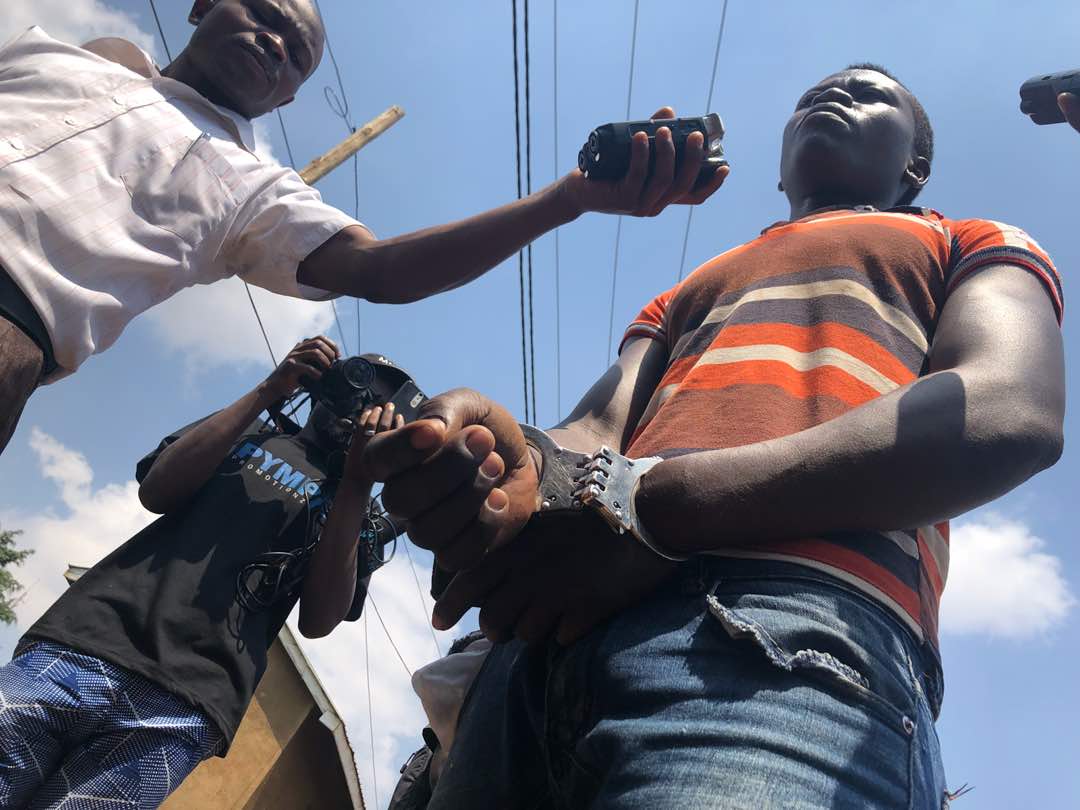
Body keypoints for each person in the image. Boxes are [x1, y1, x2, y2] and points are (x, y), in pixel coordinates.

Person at [365, 64, 1066, 808]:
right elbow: (597, 430)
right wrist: (509, 461)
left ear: (915, 167)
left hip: (791, 625)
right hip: (549, 638)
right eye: (809, 97)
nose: (830, 97)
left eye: (869, 95)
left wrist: (656, 508)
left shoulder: (969, 238)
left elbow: (1006, 406)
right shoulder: (690, 287)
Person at [0, 0, 728, 458]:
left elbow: (381, 270)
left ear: (287, 97)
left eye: (297, 53)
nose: (275, 41)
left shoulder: (253, 188)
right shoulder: (70, 51)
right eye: (260, 12)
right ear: (199, 7)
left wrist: (566, 200)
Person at [0, 336, 402, 808]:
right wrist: (270, 387)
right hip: (85, 643)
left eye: (381, 405)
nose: (365, 406)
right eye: (358, 388)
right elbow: (157, 490)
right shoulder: (249, 432)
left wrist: (358, 481)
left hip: (187, 704)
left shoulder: (358, 513)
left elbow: (317, 621)